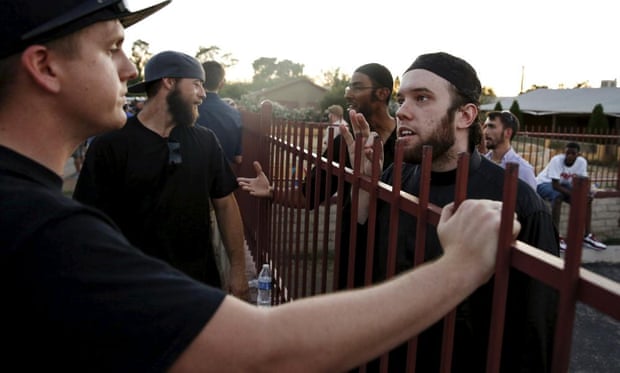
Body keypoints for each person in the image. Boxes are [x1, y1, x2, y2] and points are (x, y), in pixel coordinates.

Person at [0, 2, 522, 370]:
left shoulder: (33, 208)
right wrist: (460, 266)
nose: (129, 65)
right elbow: (265, 351)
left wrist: (237, 271)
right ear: (44, 66)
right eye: (112, 46)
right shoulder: (36, 229)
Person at [341, 52, 559, 372]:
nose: (402, 111)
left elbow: (534, 337)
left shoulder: (520, 205)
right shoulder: (392, 178)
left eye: (423, 98)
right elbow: (357, 278)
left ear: (465, 116)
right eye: (402, 99)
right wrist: (362, 190)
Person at [73, 50, 250, 299]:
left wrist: (238, 271)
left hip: (198, 285)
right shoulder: (111, 144)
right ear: (169, 82)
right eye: (196, 85)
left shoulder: (206, 141)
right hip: (132, 288)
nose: (202, 94)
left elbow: (225, 205)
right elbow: (88, 222)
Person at [238, 63, 397, 289]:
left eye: (357, 87)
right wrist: (272, 192)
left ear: (382, 93)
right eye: (348, 87)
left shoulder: (409, 141)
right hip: (355, 254)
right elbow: (308, 195)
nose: (348, 93)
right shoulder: (344, 142)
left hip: (402, 253)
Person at [536, 142, 607, 251]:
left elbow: (583, 182)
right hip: (544, 183)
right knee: (558, 197)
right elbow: (555, 185)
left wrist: (586, 194)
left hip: (563, 184)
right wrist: (576, 195)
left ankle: (587, 236)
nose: (569, 156)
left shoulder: (582, 162)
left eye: (573, 153)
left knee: (587, 200)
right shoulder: (557, 160)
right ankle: (555, 236)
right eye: (567, 153)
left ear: (578, 154)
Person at [197, 60, 243, 166]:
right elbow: (238, 158)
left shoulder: (187, 110)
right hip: (223, 177)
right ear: (222, 84)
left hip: (192, 176)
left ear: (199, 80)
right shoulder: (235, 114)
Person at [483, 110, 537, 189]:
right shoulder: (482, 162)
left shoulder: (523, 169)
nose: (485, 132)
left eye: (491, 127)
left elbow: (529, 200)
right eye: (485, 126)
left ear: (508, 132)